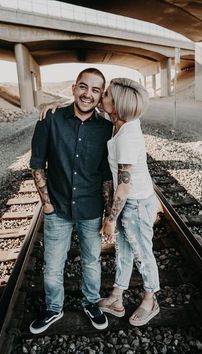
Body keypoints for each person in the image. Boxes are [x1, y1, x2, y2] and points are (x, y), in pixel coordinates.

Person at [29, 68, 113, 334]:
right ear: (74, 88)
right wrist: (47, 204)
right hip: (59, 207)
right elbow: (37, 163)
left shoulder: (107, 128)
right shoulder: (50, 118)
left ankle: (91, 302)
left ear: (101, 96)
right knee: (53, 264)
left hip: (90, 208)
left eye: (96, 90)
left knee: (91, 260)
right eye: (83, 87)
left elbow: (106, 175)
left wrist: (109, 214)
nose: (88, 94)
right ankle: (54, 308)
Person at [98, 78, 160, 326]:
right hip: (129, 202)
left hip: (134, 202)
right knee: (123, 250)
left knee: (143, 254)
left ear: (118, 104)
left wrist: (110, 220)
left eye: (106, 95)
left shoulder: (127, 137)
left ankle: (150, 298)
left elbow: (124, 184)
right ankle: (116, 296)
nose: (102, 97)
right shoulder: (121, 124)